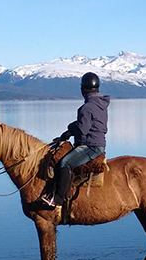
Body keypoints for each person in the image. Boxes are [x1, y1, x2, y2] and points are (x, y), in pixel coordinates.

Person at [41, 72, 110, 207]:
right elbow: (87, 123)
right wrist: (71, 129)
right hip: (98, 142)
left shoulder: (87, 107)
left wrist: (69, 130)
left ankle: (58, 199)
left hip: (91, 146)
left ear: (83, 89)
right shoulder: (100, 104)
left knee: (65, 163)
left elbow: (82, 129)